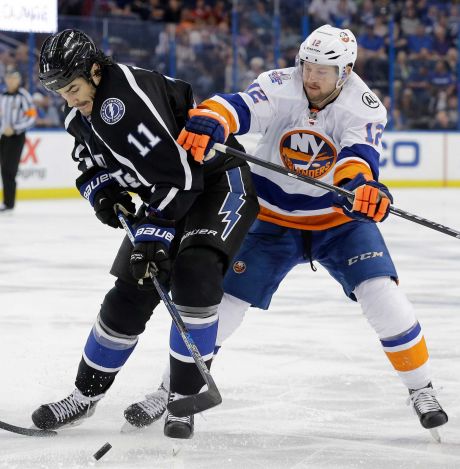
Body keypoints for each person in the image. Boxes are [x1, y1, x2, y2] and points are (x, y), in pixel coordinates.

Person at [124, 24, 448, 439]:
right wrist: (212, 120)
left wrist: (360, 188)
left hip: (338, 222)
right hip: (271, 217)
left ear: (345, 73)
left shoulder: (365, 107)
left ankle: (421, 389)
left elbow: (357, 158)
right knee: (221, 309)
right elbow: (239, 107)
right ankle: (175, 392)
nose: (311, 76)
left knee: (383, 297)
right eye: (307, 65)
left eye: (323, 71)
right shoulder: (281, 84)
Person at [31, 29, 259, 439]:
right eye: (60, 91)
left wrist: (155, 231)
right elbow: (90, 163)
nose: (69, 99)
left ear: (95, 71)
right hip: (169, 191)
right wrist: (104, 192)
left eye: (73, 88)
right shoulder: (78, 111)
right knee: (130, 291)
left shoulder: (126, 101)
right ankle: (84, 396)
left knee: (195, 275)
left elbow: (184, 174)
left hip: (216, 185)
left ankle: (182, 399)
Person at [0, 68, 36, 212]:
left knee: (9, 169)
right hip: (3, 136)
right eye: (9, 78)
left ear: (19, 80)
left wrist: (14, 128)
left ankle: (9, 203)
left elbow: (31, 117)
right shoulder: (3, 96)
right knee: (3, 169)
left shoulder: (24, 96)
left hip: (16, 137)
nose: (11, 81)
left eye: (14, 78)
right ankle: (6, 202)